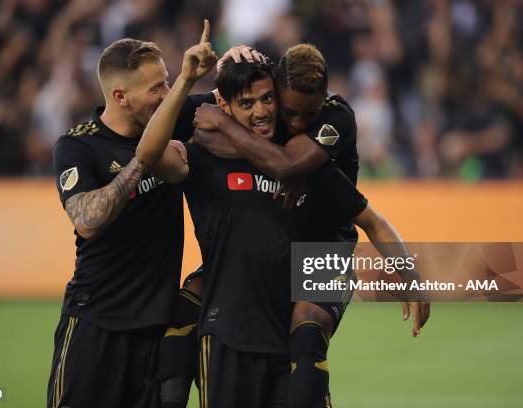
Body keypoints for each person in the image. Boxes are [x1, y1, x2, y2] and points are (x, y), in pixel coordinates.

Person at [192, 43, 431, 408]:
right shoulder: (264, 103)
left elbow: (368, 218)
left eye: (310, 113)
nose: (300, 122)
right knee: (188, 299)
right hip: (279, 245)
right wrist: (218, 80)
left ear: (325, 96)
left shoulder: (333, 128)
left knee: (307, 329)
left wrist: (412, 279)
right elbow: (198, 124)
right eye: (290, 113)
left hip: (326, 248)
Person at [47, 21, 215, 408]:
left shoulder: (172, 114)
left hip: (154, 331)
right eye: (156, 88)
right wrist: (145, 160)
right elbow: (87, 220)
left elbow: (237, 94)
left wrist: (245, 58)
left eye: (168, 82)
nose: (167, 95)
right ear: (120, 96)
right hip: (95, 323)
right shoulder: (78, 146)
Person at [137, 55, 295, 408]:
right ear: (224, 104)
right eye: (247, 103)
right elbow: (147, 152)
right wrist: (187, 80)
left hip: (290, 339)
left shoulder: (296, 156)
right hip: (227, 337)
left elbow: (355, 218)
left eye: (267, 99)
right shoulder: (199, 157)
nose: (261, 112)